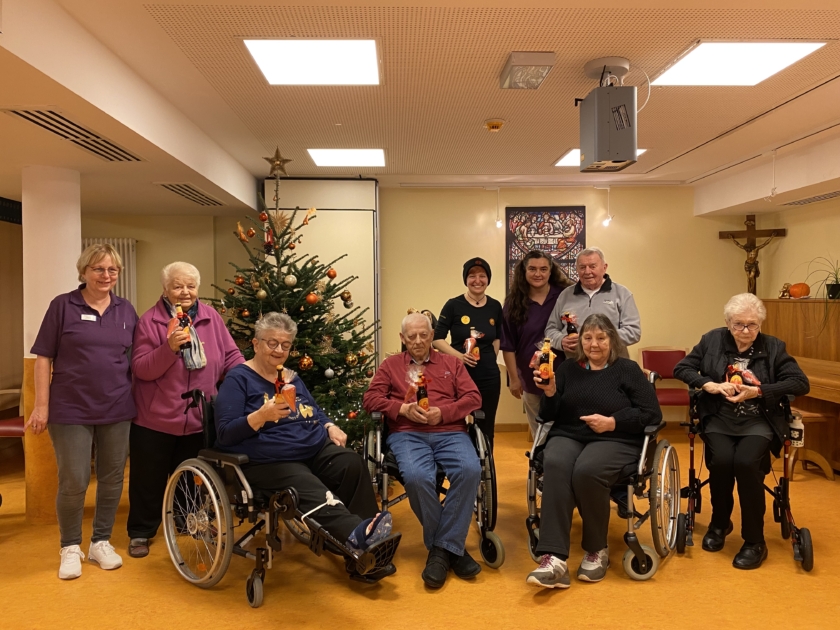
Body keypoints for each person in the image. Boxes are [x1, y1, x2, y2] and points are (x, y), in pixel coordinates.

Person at [214, 312, 396, 577]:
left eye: (285, 345)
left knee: (350, 464)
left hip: (312, 449)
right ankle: (361, 539)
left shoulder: (290, 377)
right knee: (305, 484)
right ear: (255, 344)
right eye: (272, 343)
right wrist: (260, 416)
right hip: (271, 460)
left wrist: (329, 425)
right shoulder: (238, 379)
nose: (279, 350)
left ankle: (362, 553)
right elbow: (224, 433)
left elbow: (314, 410)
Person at [27, 243, 138, 580]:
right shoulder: (63, 306)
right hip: (70, 408)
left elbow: (136, 358)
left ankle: (101, 541)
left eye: (112, 270)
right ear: (84, 272)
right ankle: (70, 546)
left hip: (117, 407)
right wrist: (41, 406)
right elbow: (43, 357)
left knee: (112, 478)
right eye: (98, 269)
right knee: (74, 479)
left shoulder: (126, 310)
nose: (106, 276)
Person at [526, 314, 661, 589]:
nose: (594, 344)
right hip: (570, 434)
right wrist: (551, 393)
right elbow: (548, 414)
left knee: (587, 470)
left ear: (612, 339)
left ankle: (596, 549)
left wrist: (613, 422)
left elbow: (651, 414)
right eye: (588, 338)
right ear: (580, 342)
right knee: (555, 463)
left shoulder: (627, 369)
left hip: (617, 438)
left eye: (601, 337)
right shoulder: (566, 370)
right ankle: (553, 557)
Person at [674, 293, 809, 570]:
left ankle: (754, 541)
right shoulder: (711, 340)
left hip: (759, 419)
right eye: (738, 325)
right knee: (722, 462)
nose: (746, 331)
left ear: (760, 324)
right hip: (719, 416)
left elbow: (799, 382)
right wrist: (708, 384)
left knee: (747, 464)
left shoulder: (773, 347)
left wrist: (758, 391)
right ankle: (720, 524)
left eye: (752, 325)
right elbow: (682, 367)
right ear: (727, 323)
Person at [127, 262, 244, 558]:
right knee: (148, 480)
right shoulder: (150, 321)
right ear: (165, 289)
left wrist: (246, 380)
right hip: (155, 419)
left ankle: (187, 521)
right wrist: (169, 348)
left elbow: (230, 356)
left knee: (190, 479)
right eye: (178, 286)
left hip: (197, 416)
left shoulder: (211, 318)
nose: (185, 292)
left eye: (191, 286)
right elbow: (141, 368)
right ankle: (141, 532)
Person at [363, 312, 482, 589]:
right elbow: (370, 399)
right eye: (411, 336)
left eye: (423, 334)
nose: (418, 341)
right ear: (403, 338)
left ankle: (440, 551)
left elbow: (473, 397)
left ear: (432, 336)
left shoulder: (452, 363)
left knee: (470, 469)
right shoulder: (391, 365)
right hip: (407, 434)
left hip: (449, 431)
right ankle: (452, 549)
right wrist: (401, 409)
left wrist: (444, 413)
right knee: (417, 478)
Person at [500, 250, 573, 438]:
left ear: (551, 271)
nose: (538, 274)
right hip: (531, 378)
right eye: (532, 269)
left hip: (565, 376)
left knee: (565, 431)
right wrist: (514, 379)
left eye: (543, 269)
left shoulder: (565, 296)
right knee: (540, 431)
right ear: (524, 271)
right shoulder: (513, 303)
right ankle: (540, 465)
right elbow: (508, 345)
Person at [433, 257, 503, 447]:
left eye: (482, 276)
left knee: (486, 424)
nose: (477, 280)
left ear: (488, 279)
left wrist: (490, 357)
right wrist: (459, 357)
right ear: (465, 279)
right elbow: (437, 339)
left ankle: (485, 470)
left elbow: (498, 337)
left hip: (489, 375)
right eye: (472, 276)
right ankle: (462, 463)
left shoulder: (495, 306)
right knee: (456, 422)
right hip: (458, 373)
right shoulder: (453, 305)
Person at [545, 247, 640, 359]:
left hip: (614, 367)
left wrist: (601, 338)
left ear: (604, 268)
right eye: (582, 267)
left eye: (592, 266)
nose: (587, 271)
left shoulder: (623, 294)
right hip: (575, 367)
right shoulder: (565, 295)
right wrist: (561, 341)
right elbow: (550, 330)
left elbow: (633, 331)